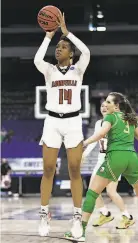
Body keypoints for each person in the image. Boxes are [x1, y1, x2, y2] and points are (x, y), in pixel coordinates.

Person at [34, 12, 90, 237]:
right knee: (48, 169)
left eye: (63, 46)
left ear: (71, 54)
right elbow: (37, 59)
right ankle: (44, 213)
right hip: (52, 122)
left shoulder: (78, 70)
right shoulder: (49, 70)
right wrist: (49, 37)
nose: (59, 49)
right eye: (57, 46)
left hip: (74, 122)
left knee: (75, 169)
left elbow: (86, 51)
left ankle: (77, 217)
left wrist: (67, 33)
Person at [71, 92, 138, 241]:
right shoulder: (130, 119)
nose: (105, 104)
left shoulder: (111, 117)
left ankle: (80, 232)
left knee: (92, 193)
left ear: (116, 106)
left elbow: (101, 133)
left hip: (115, 157)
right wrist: (137, 160)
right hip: (132, 158)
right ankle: (114, 215)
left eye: (109, 102)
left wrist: (84, 143)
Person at [82, 101, 133, 229]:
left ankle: (127, 217)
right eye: (102, 106)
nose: (104, 108)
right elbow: (95, 140)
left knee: (111, 192)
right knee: (92, 190)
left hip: (112, 159)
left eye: (107, 106)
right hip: (101, 159)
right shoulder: (98, 123)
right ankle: (105, 213)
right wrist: (84, 154)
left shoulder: (117, 122)